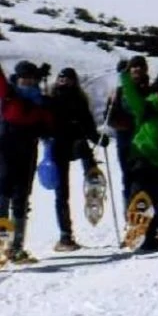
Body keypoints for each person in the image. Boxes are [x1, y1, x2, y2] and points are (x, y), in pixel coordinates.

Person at [0, 61, 54, 263]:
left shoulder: (41, 101)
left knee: (21, 199)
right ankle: (2, 244)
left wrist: (47, 130)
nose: (27, 81)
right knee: (2, 196)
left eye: (31, 78)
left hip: (28, 154)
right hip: (5, 151)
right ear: (18, 77)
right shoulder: (9, 94)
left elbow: (48, 125)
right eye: (24, 77)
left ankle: (16, 248)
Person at [120, 68, 158, 252]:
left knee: (155, 202)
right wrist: (125, 77)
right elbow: (132, 97)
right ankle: (136, 230)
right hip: (143, 157)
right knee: (139, 197)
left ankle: (148, 237)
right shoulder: (147, 107)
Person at [47, 67, 102, 251]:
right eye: (62, 78)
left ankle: (92, 176)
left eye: (69, 78)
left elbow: (88, 123)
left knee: (82, 145)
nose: (65, 81)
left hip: (75, 142)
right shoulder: (51, 99)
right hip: (58, 146)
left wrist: (97, 138)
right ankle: (65, 236)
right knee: (62, 193)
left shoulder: (79, 100)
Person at [105, 55, 149, 206]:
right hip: (125, 139)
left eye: (140, 67)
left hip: (145, 140)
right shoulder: (119, 92)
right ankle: (130, 212)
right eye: (134, 67)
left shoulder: (149, 90)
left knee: (144, 178)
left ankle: (144, 214)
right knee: (128, 176)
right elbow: (109, 117)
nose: (137, 70)